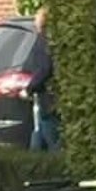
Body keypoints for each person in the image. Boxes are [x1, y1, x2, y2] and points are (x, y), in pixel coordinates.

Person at [26, 8, 59, 152]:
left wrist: (30, 87)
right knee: (40, 130)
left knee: (48, 132)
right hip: (46, 96)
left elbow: (44, 68)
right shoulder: (51, 40)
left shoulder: (42, 40)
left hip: (46, 96)